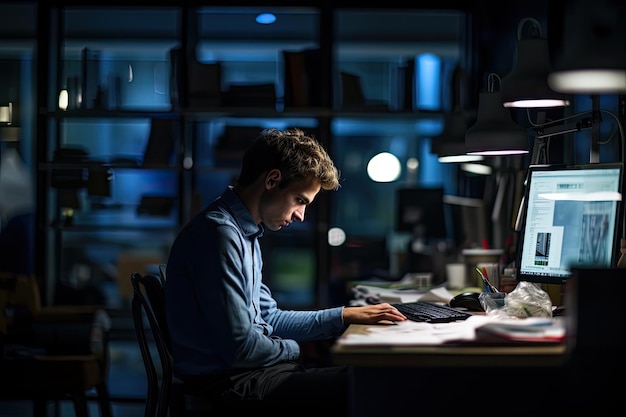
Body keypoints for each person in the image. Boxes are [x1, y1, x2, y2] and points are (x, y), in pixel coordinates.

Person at [165, 127, 406, 413]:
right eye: (300, 200)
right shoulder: (219, 235)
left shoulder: (245, 233)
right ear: (272, 180)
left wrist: (342, 316)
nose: (301, 216)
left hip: (247, 373)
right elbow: (240, 349)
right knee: (373, 388)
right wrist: (296, 349)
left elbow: (269, 317)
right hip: (229, 384)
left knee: (369, 380)